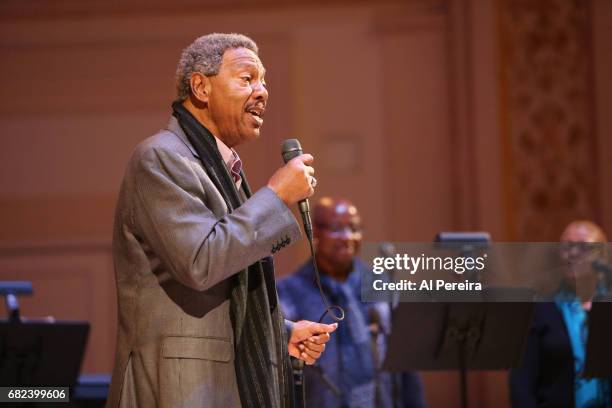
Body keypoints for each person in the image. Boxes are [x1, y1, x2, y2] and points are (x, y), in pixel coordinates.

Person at [106, 33, 338, 408]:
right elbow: (201, 262)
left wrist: (281, 334)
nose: (262, 91)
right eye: (247, 79)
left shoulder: (220, 166)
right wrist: (276, 195)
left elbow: (224, 291)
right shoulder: (159, 158)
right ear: (200, 86)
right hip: (180, 388)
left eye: (264, 81)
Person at [277, 197, 425, 408]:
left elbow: (406, 362)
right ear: (315, 232)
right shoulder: (289, 292)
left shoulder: (380, 284)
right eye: (337, 229)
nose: (348, 237)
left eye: (354, 228)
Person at [510, 220, 612, 407]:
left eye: (583, 247)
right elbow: (521, 385)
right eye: (566, 247)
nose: (572, 254)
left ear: (603, 256)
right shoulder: (540, 310)